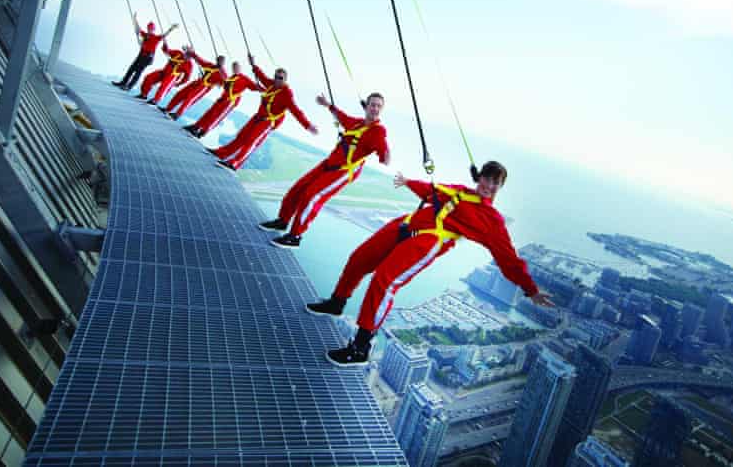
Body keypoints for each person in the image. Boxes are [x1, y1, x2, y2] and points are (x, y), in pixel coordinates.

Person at [305, 161, 554, 366]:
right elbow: (433, 191)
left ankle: (360, 347)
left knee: (385, 280)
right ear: (480, 178)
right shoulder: (459, 192)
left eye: (496, 182)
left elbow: (508, 257)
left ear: (500, 187)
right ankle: (337, 302)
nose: (489, 185)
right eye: (487, 179)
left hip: (428, 241)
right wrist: (409, 183)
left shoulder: (492, 220)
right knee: (359, 258)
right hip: (405, 225)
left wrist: (530, 289)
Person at [259, 92, 390, 249]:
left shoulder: (378, 132)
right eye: (372, 104)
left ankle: (295, 236)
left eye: (378, 106)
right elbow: (342, 116)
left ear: (381, 110)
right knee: (298, 188)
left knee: (312, 196)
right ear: (366, 106)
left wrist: (386, 155)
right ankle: (283, 221)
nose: (375, 108)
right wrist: (327, 104)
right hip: (329, 164)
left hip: (343, 171)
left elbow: (384, 156)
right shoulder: (357, 123)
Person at [211, 55, 318, 171]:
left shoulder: (287, 94)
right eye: (276, 77)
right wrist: (253, 64)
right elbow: (261, 77)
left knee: (252, 141)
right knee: (242, 135)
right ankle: (222, 153)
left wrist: (308, 126)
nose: (277, 80)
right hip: (258, 117)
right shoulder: (271, 84)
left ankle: (235, 163)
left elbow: (296, 111)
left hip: (268, 121)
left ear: (285, 80)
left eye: (280, 78)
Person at [184, 60, 259, 137]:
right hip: (223, 98)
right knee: (210, 113)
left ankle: (203, 132)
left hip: (231, 101)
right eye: (234, 67)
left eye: (236, 67)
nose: (235, 69)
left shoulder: (244, 79)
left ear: (240, 68)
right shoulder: (231, 77)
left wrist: (260, 87)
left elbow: (254, 87)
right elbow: (224, 85)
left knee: (217, 117)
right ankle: (196, 126)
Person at [112, 14, 177, 90]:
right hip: (141, 55)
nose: (149, 30)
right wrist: (135, 19)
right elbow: (139, 29)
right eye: (149, 28)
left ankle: (129, 86)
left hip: (148, 57)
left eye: (151, 29)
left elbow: (165, 35)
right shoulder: (145, 35)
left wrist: (172, 28)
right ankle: (123, 82)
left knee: (138, 71)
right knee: (131, 69)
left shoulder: (156, 38)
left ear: (153, 30)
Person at [165, 50, 227, 120]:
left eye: (221, 61)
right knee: (180, 94)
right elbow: (201, 61)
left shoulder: (223, 73)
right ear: (217, 60)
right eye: (219, 60)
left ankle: (177, 114)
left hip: (204, 87)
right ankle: (168, 108)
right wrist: (193, 54)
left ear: (223, 63)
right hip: (198, 82)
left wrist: (220, 82)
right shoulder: (210, 65)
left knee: (189, 99)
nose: (219, 62)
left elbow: (225, 84)